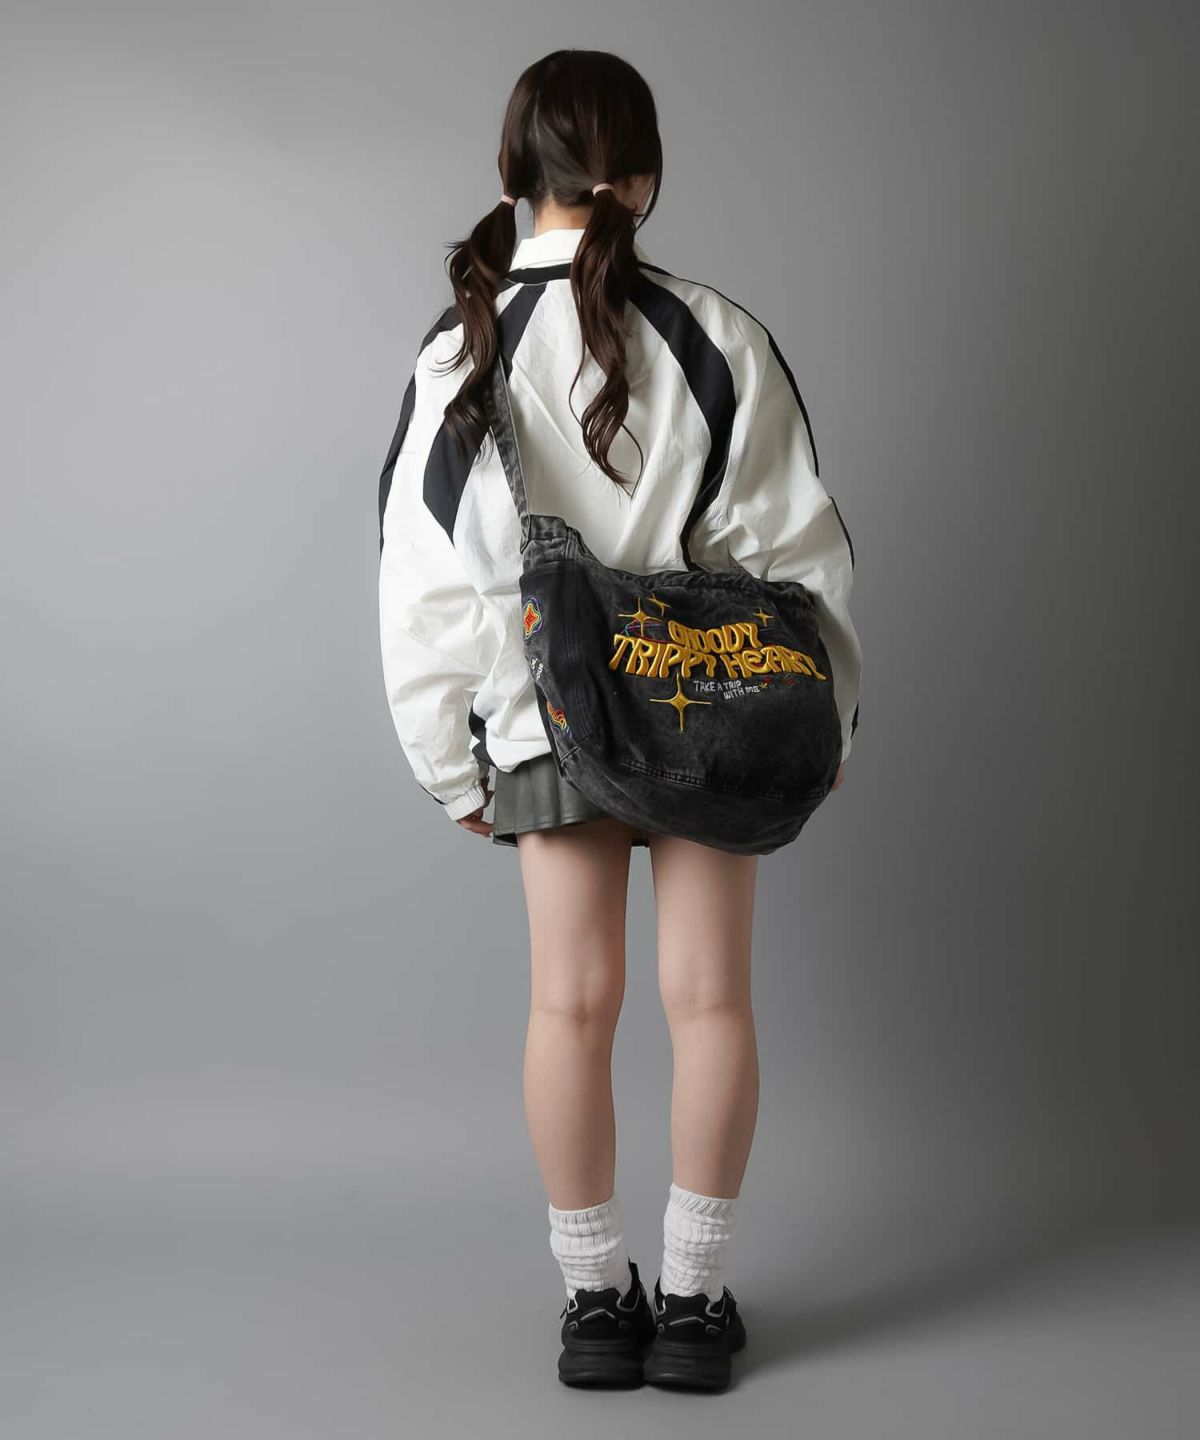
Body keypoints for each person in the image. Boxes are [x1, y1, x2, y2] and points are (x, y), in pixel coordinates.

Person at [377, 49, 862, 1393]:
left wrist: (451, 764)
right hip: (712, 706)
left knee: (569, 1005)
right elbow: (795, 557)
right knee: (711, 1003)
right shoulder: (719, 336)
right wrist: (828, 720)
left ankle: (598, 1307)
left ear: (511, 173)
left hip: (547, 719)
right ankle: (694, 1309)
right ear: (641, 180)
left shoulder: (460, 351)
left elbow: (426, 585)